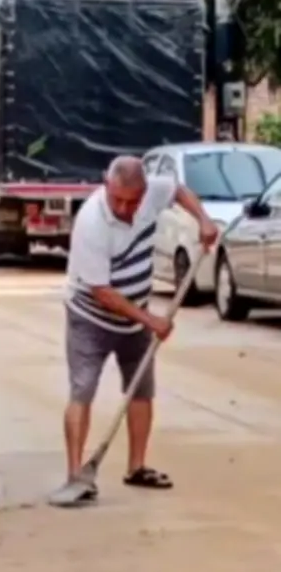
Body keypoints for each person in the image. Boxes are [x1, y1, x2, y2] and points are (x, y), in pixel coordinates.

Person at [54, 156, 218, 503]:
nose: (124, 208)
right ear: (106, 185)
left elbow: (178, 190)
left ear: (144, 191)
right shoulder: (91, 221)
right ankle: (76, 475)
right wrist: (151, 321)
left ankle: (137, 467)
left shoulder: (153, 191)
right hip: (90, 317)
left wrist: (203, 219)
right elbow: (102, 292)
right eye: (117, 199)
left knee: (141, 389)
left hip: (136, 314)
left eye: (132, 201)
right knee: (83, 389)